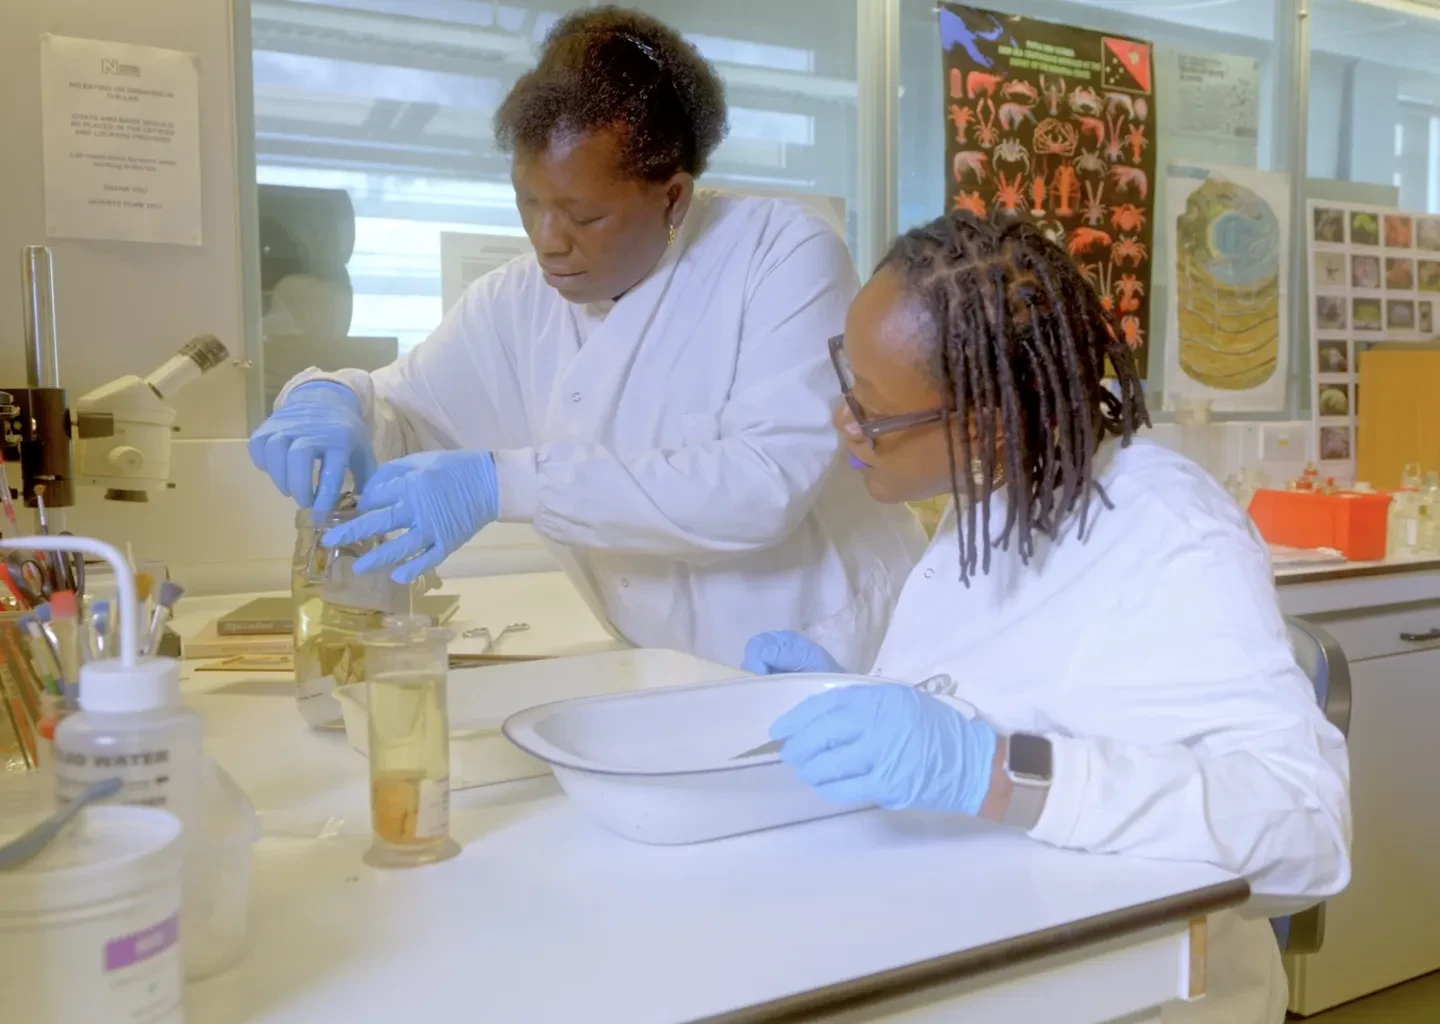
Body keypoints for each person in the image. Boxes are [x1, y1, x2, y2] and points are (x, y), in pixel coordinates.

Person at [743, 213, 1351, 1023]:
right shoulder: (993, 497)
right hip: (987, 936)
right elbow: (1012, 684)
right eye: (845, 383)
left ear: (987, 421)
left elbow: (1305, 837)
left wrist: (991, 770)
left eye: (873, 411)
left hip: (1141, 994)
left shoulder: (1169, 533)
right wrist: (846, 692)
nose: (844, 423)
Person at [247, 7, 924, 670]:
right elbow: (408, 412)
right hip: (659, 663)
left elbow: (759, 486)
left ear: (674, 198)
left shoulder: (778, 252)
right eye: (529, 203)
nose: (548, 241)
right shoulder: (513, 302)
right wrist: (333, 399)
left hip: (824, 648)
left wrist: (504, 484)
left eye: (584, 214)